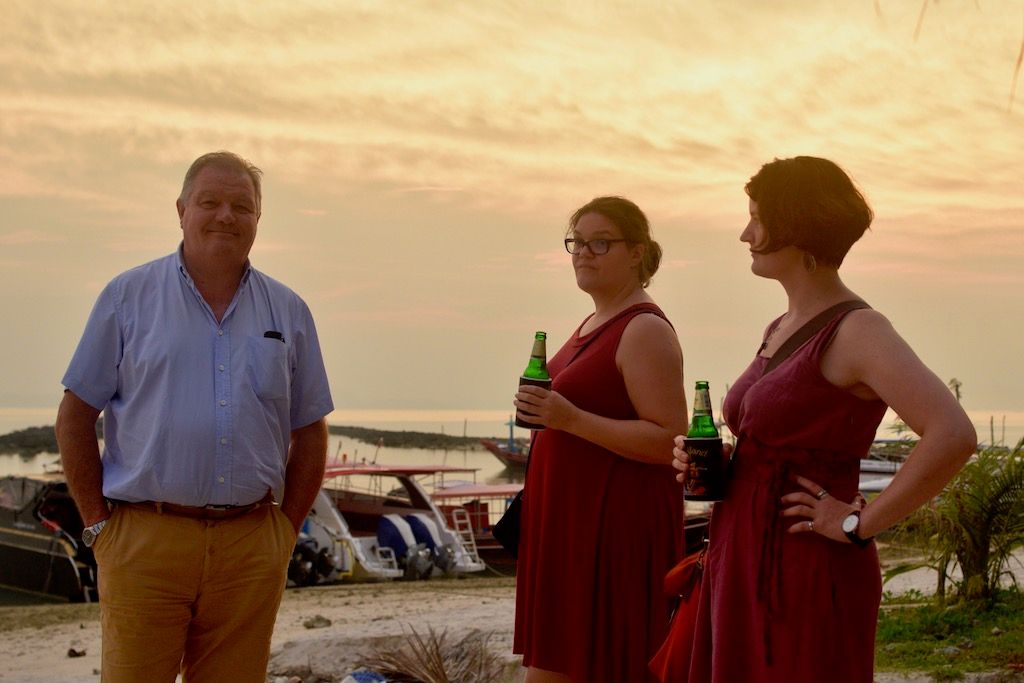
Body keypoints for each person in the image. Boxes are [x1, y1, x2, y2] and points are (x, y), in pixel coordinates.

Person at [670, 156, 976, 682]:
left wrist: (858, 523)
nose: (745, 234)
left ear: (798, 228)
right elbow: (782, 435)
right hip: (740, 552)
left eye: (757, 219)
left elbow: (953, 434)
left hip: (802, 565)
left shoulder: (859, 330)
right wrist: (728, 461)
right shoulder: (781, 325)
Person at [55, 151, 334, 683]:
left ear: (258, 219)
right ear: (182, 210)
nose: (226, 216)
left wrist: (284, 531)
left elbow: (310, 429)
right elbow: (75, 416)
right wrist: (98, 527)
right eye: (210, 202)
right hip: (145, 541)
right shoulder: (127, 297)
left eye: (241, 206)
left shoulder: (289, 310)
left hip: (250, 545)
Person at [513, 196, 687, 682]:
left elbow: (670, 441)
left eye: (601, 243)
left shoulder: (644, 328)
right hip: (568, 530)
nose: (584, 253)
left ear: (637, 253)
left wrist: (570, 419)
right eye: (578, 243)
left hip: (611, 534)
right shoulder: (593, 323)